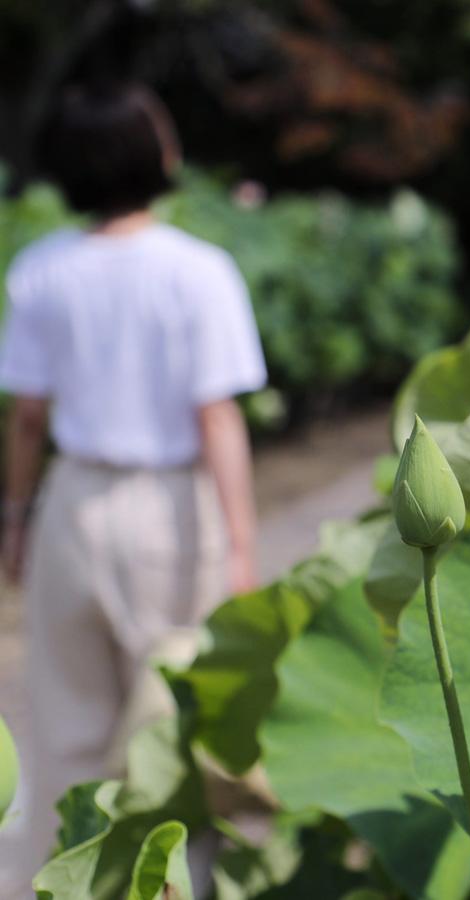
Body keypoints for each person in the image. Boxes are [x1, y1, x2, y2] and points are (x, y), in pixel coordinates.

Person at [0, 82, 266, 875]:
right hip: (173, 505)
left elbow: (26, 419)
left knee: (69, 726)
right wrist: (243, 546)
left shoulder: (42, 269)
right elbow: (218, 417)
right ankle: (174, 885)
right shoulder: (198, 271)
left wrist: (14, 517)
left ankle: (67, 881)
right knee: (173, 723)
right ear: (156, 157)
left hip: (72, 501)